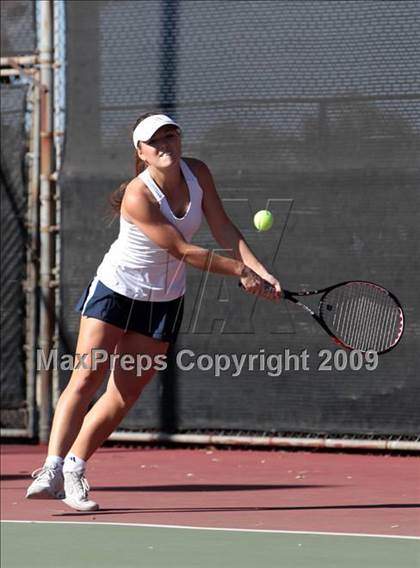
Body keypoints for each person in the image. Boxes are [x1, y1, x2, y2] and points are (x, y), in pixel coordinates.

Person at [26, 112, 281, 511]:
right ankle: (51, 468)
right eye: (155, 140)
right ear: (141, 152)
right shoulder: (138, 194)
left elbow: (222, 226)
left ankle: (75, 468)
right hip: (116, 290)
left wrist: (261, 270)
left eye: (171, 136)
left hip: (163, 301)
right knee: (88, 375)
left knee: (125, 393)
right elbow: (180, 249)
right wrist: (239, 271)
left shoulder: (198, 173)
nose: (166, 145)